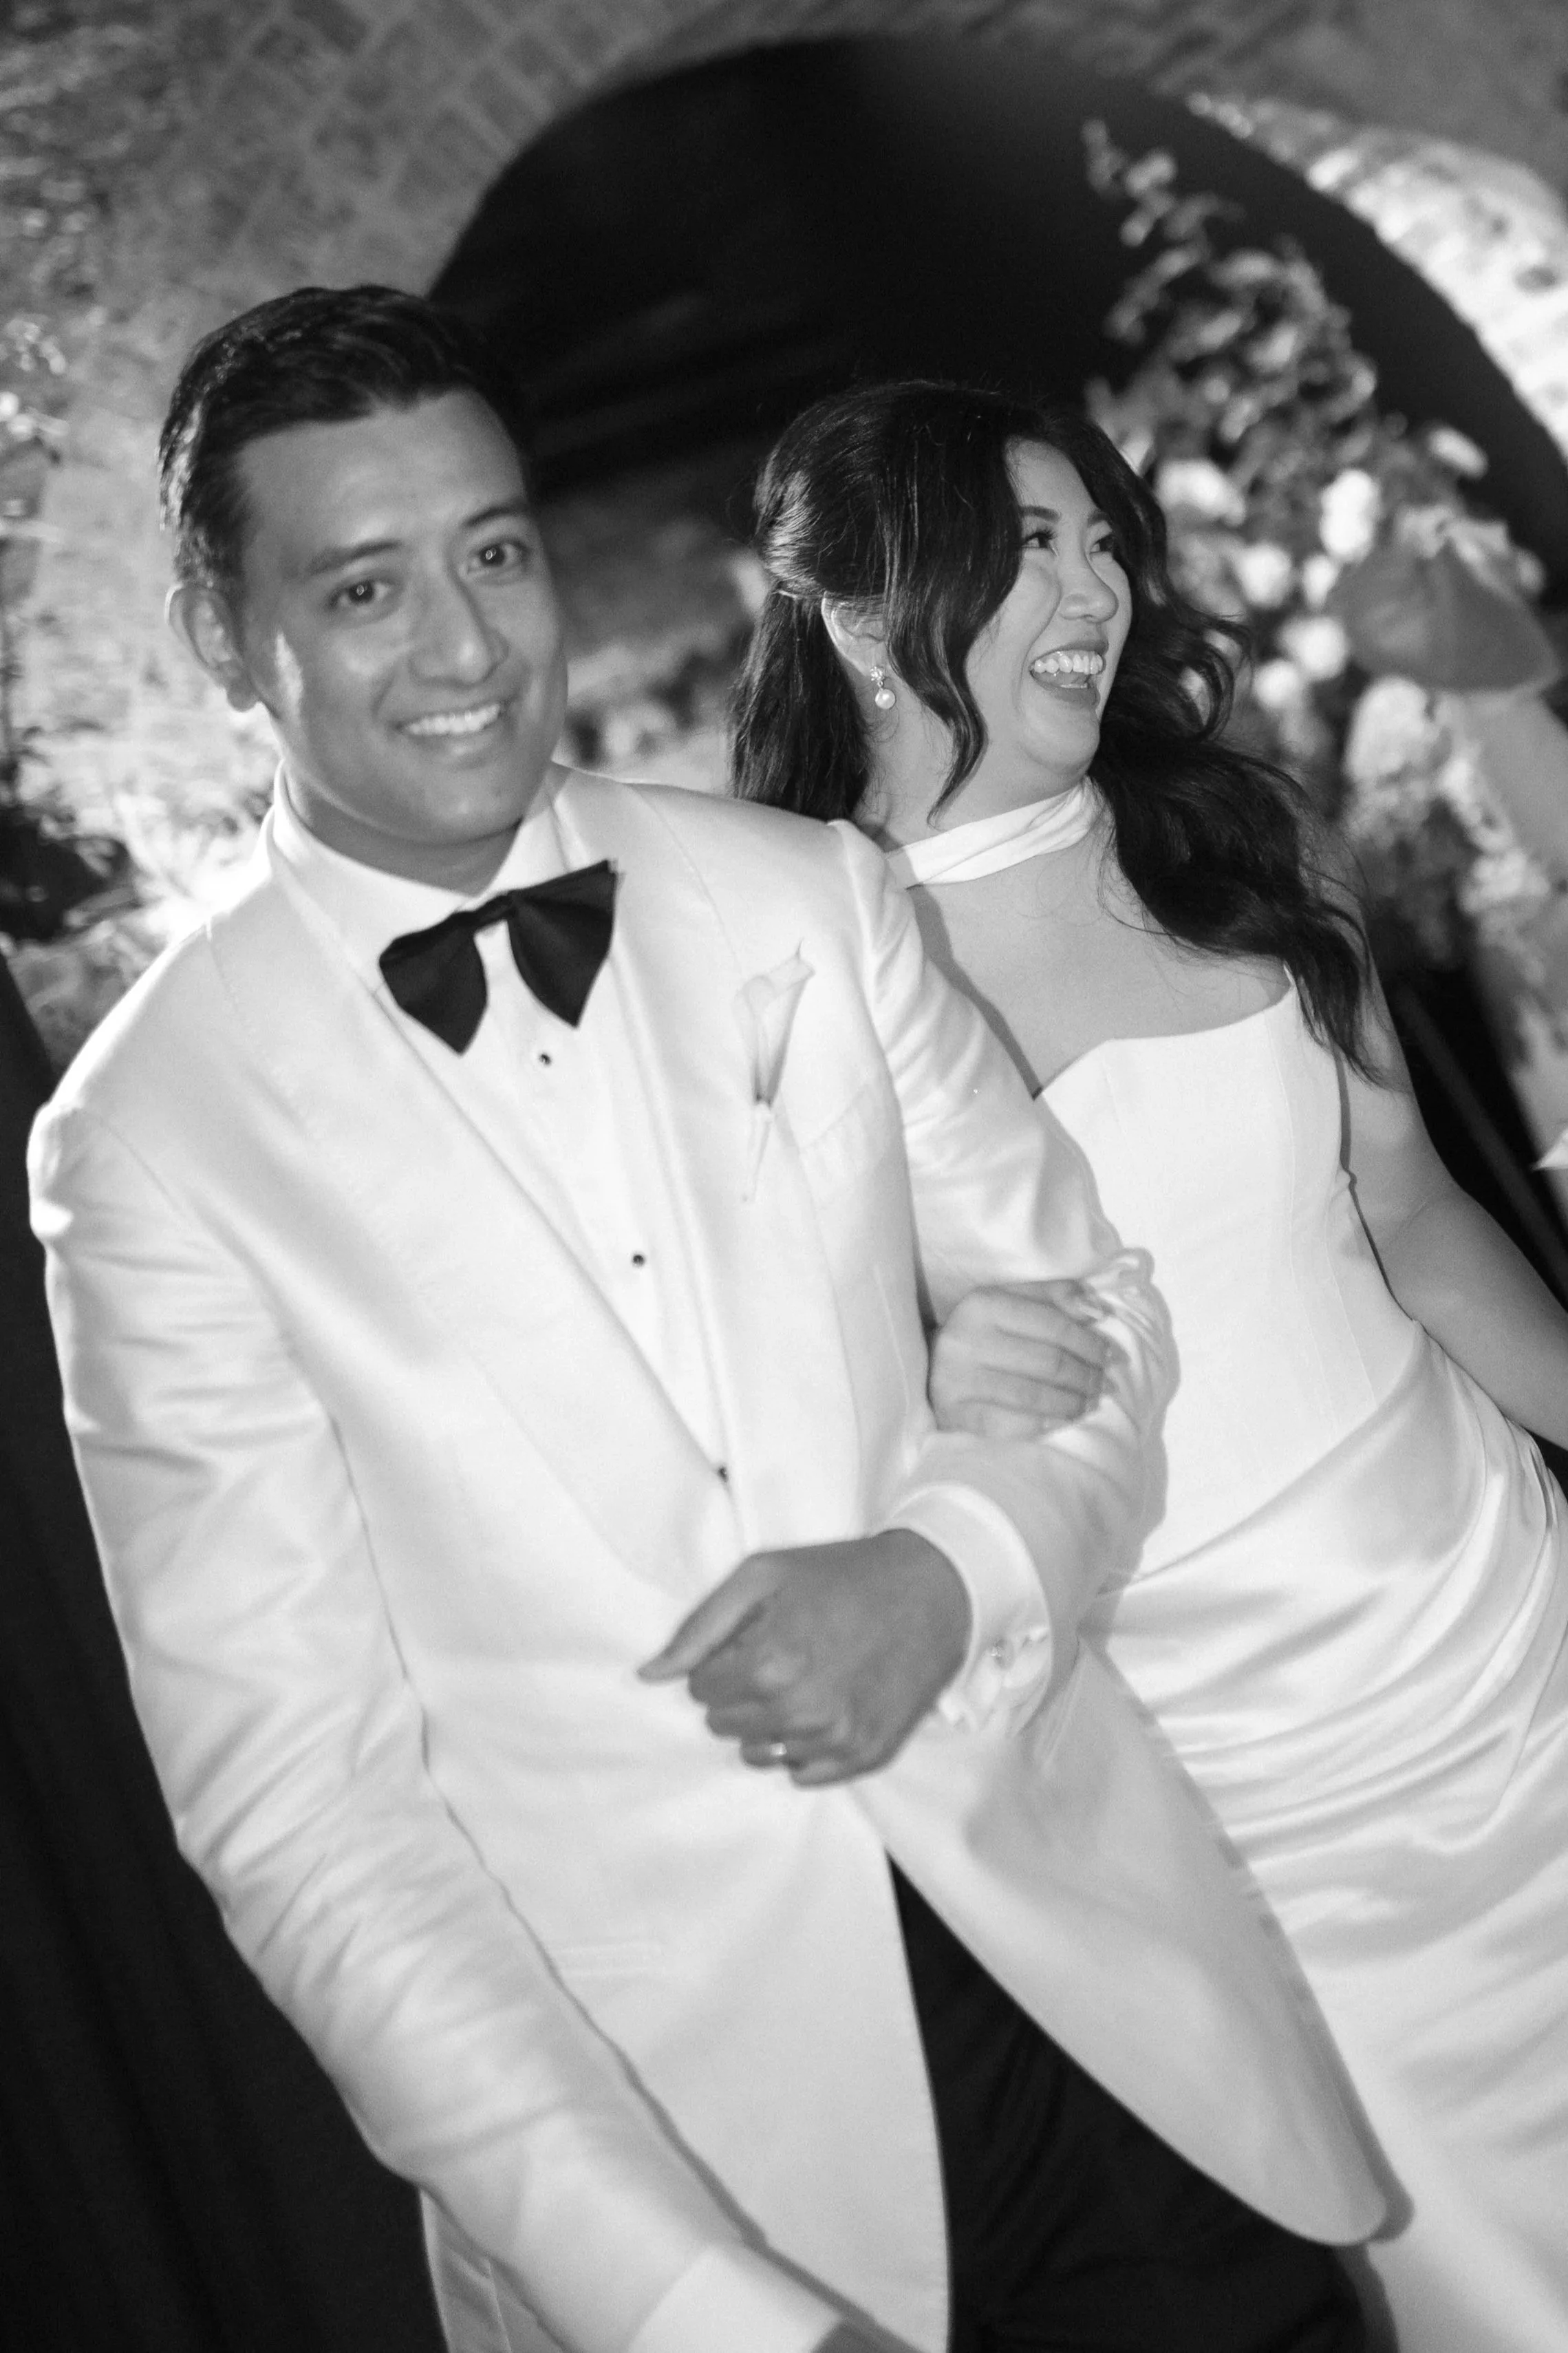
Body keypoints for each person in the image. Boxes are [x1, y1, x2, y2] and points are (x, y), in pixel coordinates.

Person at [25, 290, 1380, 2353]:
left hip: (1106, 2035)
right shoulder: (150, 1137)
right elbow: (303, 1817)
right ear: (227, 638)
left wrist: (947, 1568)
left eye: (492, 551)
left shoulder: (802, 899)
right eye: (366, 586)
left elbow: (1084, 1309)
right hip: (696, 2156)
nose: (468, 646)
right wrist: (685, 2309)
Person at [731, 378, 1568, 2353]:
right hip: (1237, 1784)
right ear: (855, 616)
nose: (1094, 585)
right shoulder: (788, 983)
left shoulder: (1228, 833)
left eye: (1103, 538)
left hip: (1503, 1634)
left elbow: (1420, 1225)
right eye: (1026, 546)